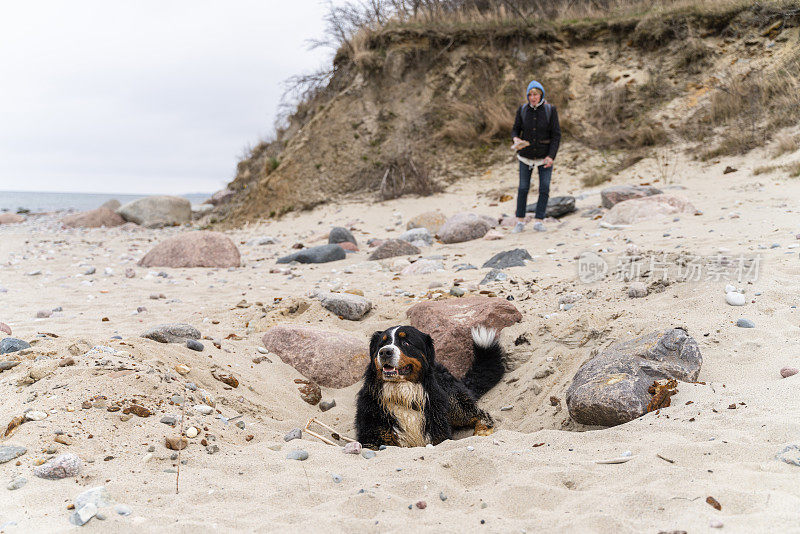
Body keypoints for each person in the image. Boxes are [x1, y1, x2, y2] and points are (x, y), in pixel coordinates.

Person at [511, 80, 561, 233]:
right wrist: (516, 139)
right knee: (523, 188)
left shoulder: (550, 110)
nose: (533, 97)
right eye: (530, 94)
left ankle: (539, 221)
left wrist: (551, 156)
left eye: (536, 94)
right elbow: (515, 130)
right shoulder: (522, 110)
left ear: (541, 95)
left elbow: (556, 136)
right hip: (525, 157)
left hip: (545, 157)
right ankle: (520, 221)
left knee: (544, 188)